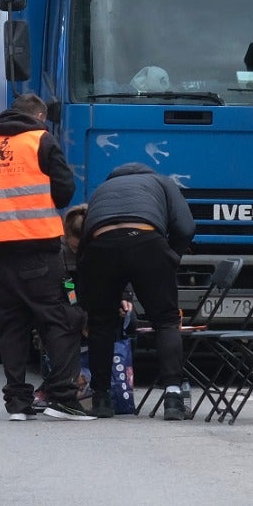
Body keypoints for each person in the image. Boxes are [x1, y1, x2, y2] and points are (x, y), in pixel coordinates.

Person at [0, 92, 92, 420]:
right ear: (39, 117)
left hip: (1, 252)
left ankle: (17, 403)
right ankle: (62, 396)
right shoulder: (41, 141)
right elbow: (65, 191)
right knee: (62, 320)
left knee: (13, 326)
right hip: (39, 249)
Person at [77, 163, 196, 419]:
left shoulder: (102, 189)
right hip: (146, 241)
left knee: (101, 324)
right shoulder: (163, 182)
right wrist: (170, 257)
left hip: (101, 246)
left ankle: (100, 398)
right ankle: (173, 397)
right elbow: (186, 228)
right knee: (165, 320)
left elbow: (85, 237)